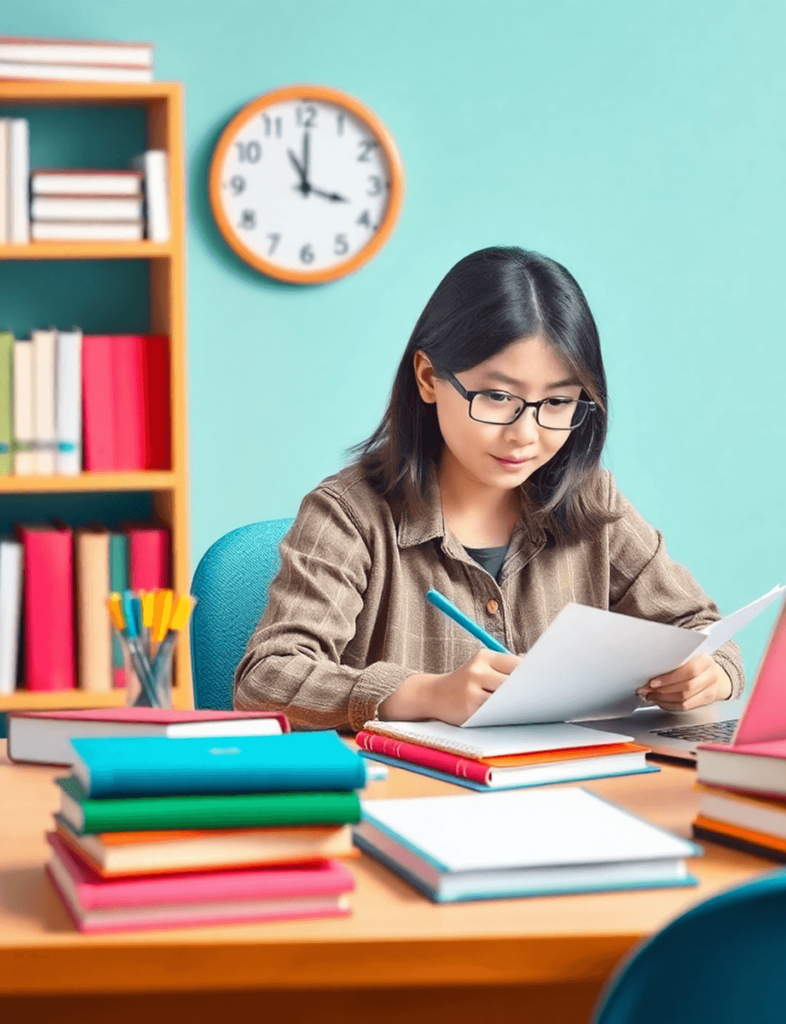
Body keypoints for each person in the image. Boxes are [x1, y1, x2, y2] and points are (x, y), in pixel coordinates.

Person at [234, 246, 743, 731]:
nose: (526, 433)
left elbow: (700, 627)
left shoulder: (590, 500)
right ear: (430, 378)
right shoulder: (349, 516)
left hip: (565, 789)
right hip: (417, 800)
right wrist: (425, 694)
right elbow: (267, 677)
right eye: (499, 397)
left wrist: (709, 673)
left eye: (559, 402)